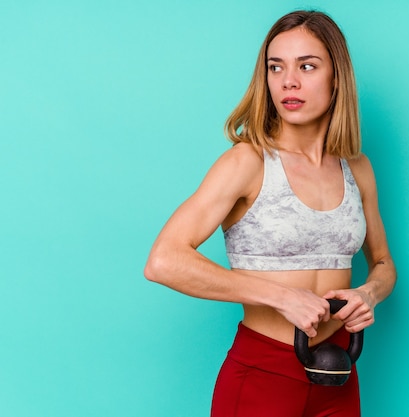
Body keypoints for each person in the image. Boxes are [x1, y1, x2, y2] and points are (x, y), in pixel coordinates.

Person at [144, 10, 396, 417]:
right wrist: (281, 297)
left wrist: (368, 294)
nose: (288, 82)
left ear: (337, 78)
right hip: (263, 374)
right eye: (275, 67)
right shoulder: (247, 163)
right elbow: (163, 261)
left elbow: (383, 262)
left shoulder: (358, 169)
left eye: (307, 67)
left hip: (338, 372)